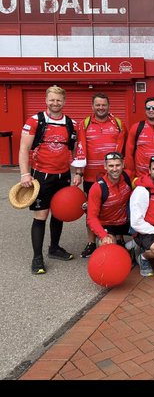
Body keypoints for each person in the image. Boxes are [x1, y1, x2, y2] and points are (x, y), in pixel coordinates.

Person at [18, 84, 81, 275]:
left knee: (59, 213)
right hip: (41, 176)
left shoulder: (71, 123)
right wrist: (25, 174)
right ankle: (37, 258)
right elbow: (23, 149)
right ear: (46, 100)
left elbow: (75, 151)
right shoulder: (35, 121)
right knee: (41, 215)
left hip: (63, 175)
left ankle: (54, 248)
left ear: (64, 101)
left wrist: (78, 172)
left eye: (58, 100)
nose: (55, 103)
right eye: (52, 99)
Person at [72, 93, 127, 258]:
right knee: (91, 209)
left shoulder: (118, 124)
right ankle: (91, 242)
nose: (101, 108)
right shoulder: (84, 124)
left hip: (114, 174)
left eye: (104, 105)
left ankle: (119, 238)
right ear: (92, 106)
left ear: (108, 106)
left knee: (118, 205)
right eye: (98, 105)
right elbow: (80, 148)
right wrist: (79, 172)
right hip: (91, 176)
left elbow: (122, 150)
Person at [86, 151, 133, 248]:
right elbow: (91, 218)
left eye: (117, 165)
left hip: (126, 222)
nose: (115, 169)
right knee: (107, 245)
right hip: (108, 224)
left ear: (123, 165)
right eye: (111, 166)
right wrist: (104, 235)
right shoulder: (97, 188)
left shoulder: (128, 177)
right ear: (105, 166)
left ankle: (133, 247)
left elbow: (143, 182)